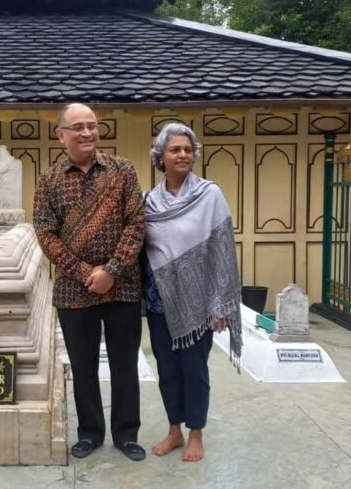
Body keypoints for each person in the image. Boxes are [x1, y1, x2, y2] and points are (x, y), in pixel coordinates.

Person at [33, 103, 146, 461]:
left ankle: (126, 433)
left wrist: (111, 269)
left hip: (123, 286)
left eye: (92, 126)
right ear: (61, 134)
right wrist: (85, 274)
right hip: (73, 290)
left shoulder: (122, 171)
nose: (86, 133)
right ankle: (90, 433)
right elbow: (46, 234)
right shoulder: (48, 181)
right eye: (77, 127)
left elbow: (136, 224)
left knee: (125, 364)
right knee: (82, 367)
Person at [142, 122, 242, 462]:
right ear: (160, 156)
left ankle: (196, 432)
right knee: (167, 370)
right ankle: (174, 430)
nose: (183, 154)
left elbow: (222, 250)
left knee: (195, 370)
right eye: (175, 149)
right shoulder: (149, 201)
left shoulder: (209, 195)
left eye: (188, 149)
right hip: (159, 301)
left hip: (199, 302)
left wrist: (220, 303)